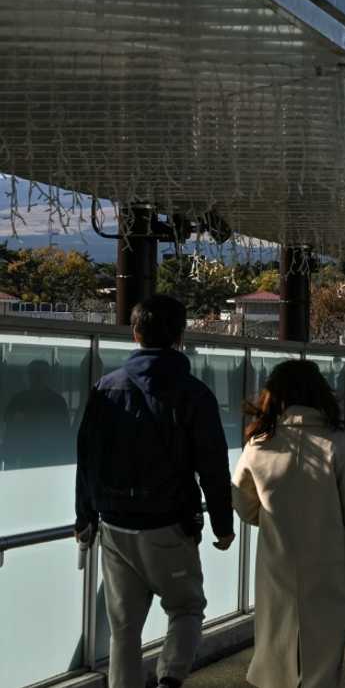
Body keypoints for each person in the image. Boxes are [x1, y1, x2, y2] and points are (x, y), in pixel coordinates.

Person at [74, 295, 235, 688]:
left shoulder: (105, 388)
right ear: (180, 336)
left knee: (123, 627)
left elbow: (87, 459)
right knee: (186, 608)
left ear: (135, 333)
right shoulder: (194, 393)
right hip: (169, 525)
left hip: (114, 526)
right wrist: (222, 525)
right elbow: (212, 465)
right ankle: (169, 679)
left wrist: (84, 517)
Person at [233, 359, 345, 688]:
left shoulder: (258, 445)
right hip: (328, 572)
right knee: (322, 661)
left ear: (275, 396)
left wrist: (276, 517)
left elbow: (243, 505)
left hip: (277, 569)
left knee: (277, 656)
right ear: (319, 394)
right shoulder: (339, 443)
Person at [1, 359, 72, 469]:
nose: (38, 377)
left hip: (48, 456)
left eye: (41, 374)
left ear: (47, 376)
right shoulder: (19, 399)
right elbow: (9, 428)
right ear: (29, 376)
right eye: (34, 374)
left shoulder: (56, 401)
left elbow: (64, 431)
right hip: (27, 456)